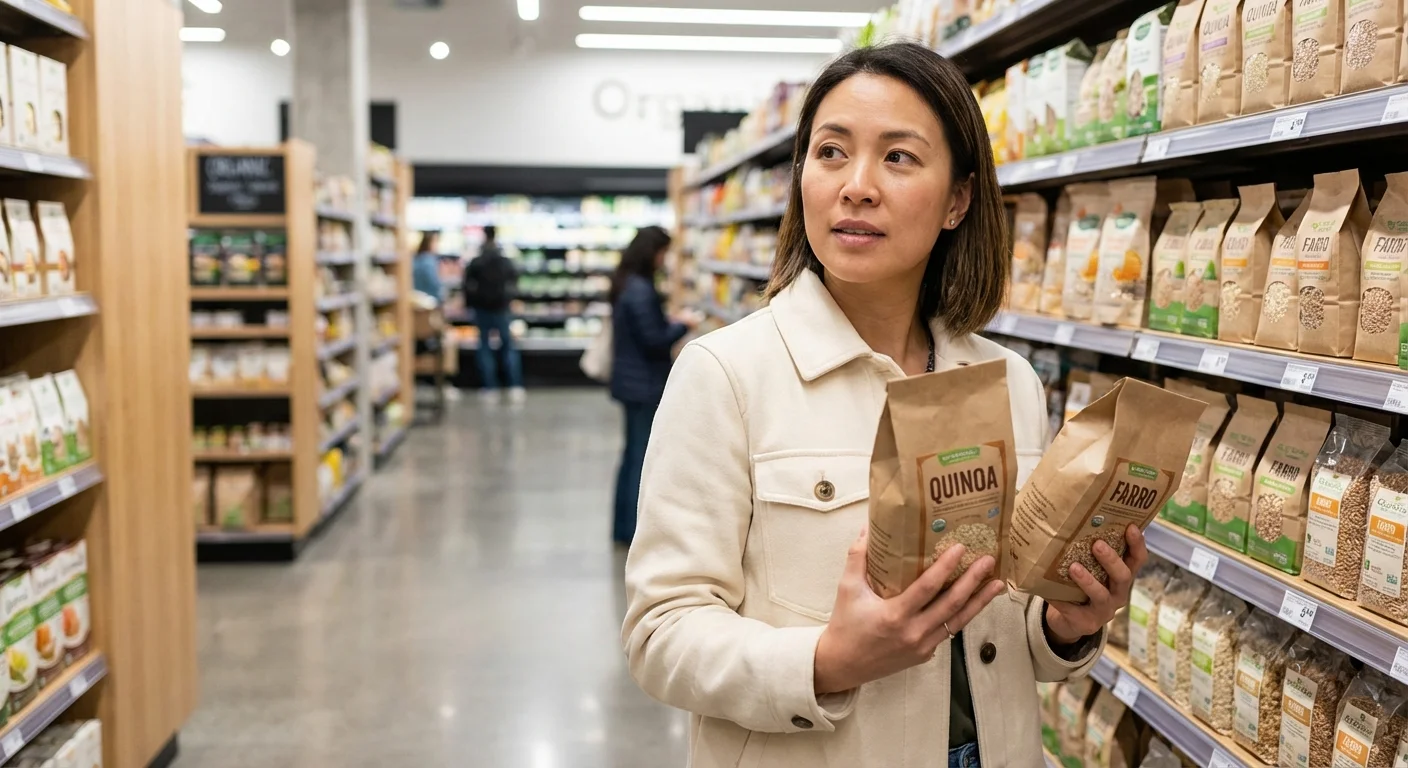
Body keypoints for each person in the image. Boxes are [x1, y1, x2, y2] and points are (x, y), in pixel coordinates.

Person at [622, 43, 1142, 768]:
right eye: (831, 152)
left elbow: (1003, 634)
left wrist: (1066, 623)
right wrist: (827, 661)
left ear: (958, 199)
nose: (856, 186)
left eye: (898, 157)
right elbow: (661, 634)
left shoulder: (1010, 381)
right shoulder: (726, 375)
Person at [608, 225, 698, 545]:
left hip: (630, 381)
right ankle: (633, 529)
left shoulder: (627, 283)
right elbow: (654, 341)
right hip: (642, 384)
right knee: (640, 457)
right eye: (663, 253)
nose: (665, 260)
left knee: (631, 454)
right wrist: (683, 326)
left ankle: (622, 527)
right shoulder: (641, 289)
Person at [463, 225, 524, 405]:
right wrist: (511, 299)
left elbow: (467, 284)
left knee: (484, 347)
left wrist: (470, 303)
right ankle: (514, 386)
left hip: (482, 309)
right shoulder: (504, 260)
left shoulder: (477, 261)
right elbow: (514, 280)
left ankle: (489, 387)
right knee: (508, 346)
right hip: (502, 308)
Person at [412, 232, 444, 303]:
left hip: (417, 299)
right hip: (430, 300)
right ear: (429, 243)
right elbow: (434, 283)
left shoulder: (417, 258)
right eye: (436, 242)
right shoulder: (428, 260)